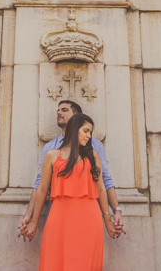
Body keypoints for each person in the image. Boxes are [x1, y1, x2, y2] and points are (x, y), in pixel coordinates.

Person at [23, 113, 118, 270]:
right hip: (59, 218)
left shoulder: (93, 155)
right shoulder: (52, 155)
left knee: (85, 263)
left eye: (90, 132)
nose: (89, 136)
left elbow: (101, 188)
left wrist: (108, 221)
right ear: (74, 130)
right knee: (56, 262)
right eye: (86, 131)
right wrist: (33, 221)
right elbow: (41, 190)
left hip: (89, 218)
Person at [18, 100, 125, 237]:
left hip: (89, 213)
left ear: (76, 117)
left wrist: (115, 211)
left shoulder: (95, 147)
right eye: (58, 110)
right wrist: (30, 217)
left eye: (64, 110)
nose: (58, 112)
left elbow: (104, 181)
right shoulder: (50, 148)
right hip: (59, 213)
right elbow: (41, 185)